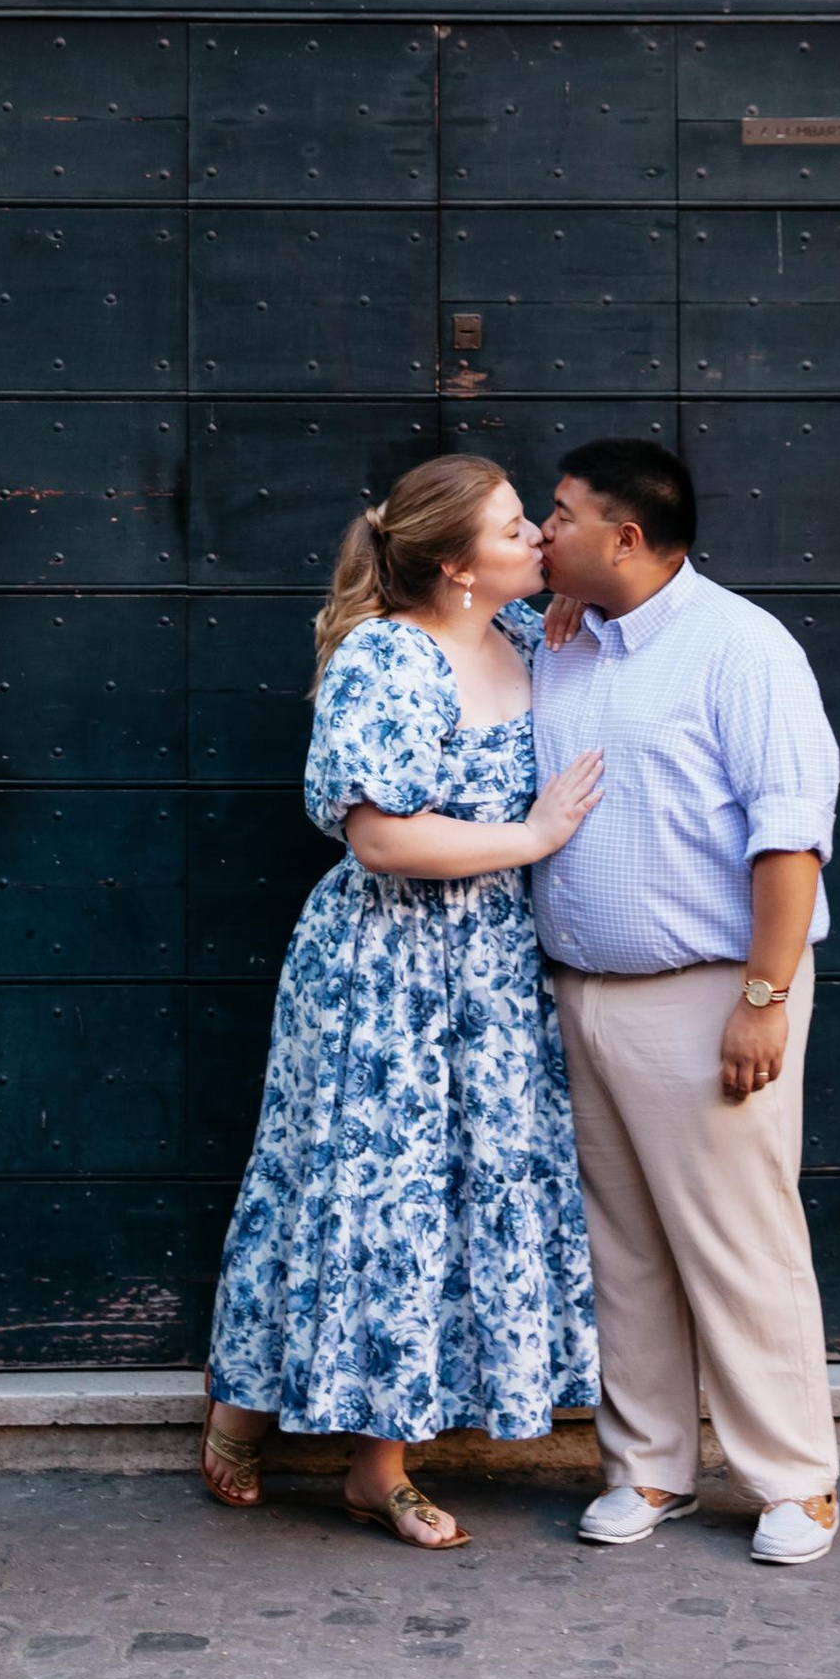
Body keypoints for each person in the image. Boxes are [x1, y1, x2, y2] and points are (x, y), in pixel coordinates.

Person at [200, 455, 605, 1552]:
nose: (538, 539)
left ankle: (373, 1467)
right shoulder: (388, 657)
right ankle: (246, 1414)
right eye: (516, 528)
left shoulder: (525, 640)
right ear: (455, 566)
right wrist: (529, 839)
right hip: (383, 971)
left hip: (493, 971)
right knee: (362, 1192)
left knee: (453, 1201)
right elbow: (378, 835)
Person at [533, 437, 840, 1569]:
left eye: (558, 514)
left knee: (739, 1241)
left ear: (625, 535)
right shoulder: (559, 644)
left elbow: (789, 838)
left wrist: (763, 999)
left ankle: (793, 1483)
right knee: (624, 1248)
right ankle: (649, 1466)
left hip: (713, 991)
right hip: (585, 993)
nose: (537, 530)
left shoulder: (742, 649)